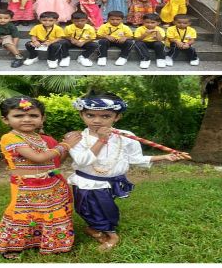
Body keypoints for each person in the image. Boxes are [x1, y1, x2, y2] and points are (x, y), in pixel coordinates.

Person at [67, 92, 185, 251]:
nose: (96, 120)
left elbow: (135, 158)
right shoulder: (75, 138)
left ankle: (111, 235)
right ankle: (94, 228)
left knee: (106, 209)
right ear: (82, 115)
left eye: (105, 116)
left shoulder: (126, 136)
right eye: (90, 115)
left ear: (116, 117)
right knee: (84, 209)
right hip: (86, 182)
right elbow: (83, 161)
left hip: (112, 180)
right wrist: (102, 140)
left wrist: (165, 157)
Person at [0, 96, 76, 259]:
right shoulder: (10, 138)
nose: (26, 119)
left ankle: (53, 242)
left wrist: (67, 148)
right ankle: (13, 246)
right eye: (18, 116)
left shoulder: (45, 139)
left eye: (33, 115)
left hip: (51, 183)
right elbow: (37, 158)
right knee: (23, 213)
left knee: (50, 213)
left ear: (42, 118)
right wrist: (65, 145)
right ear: (5, 120)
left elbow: (55, 162)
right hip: (26, 185)